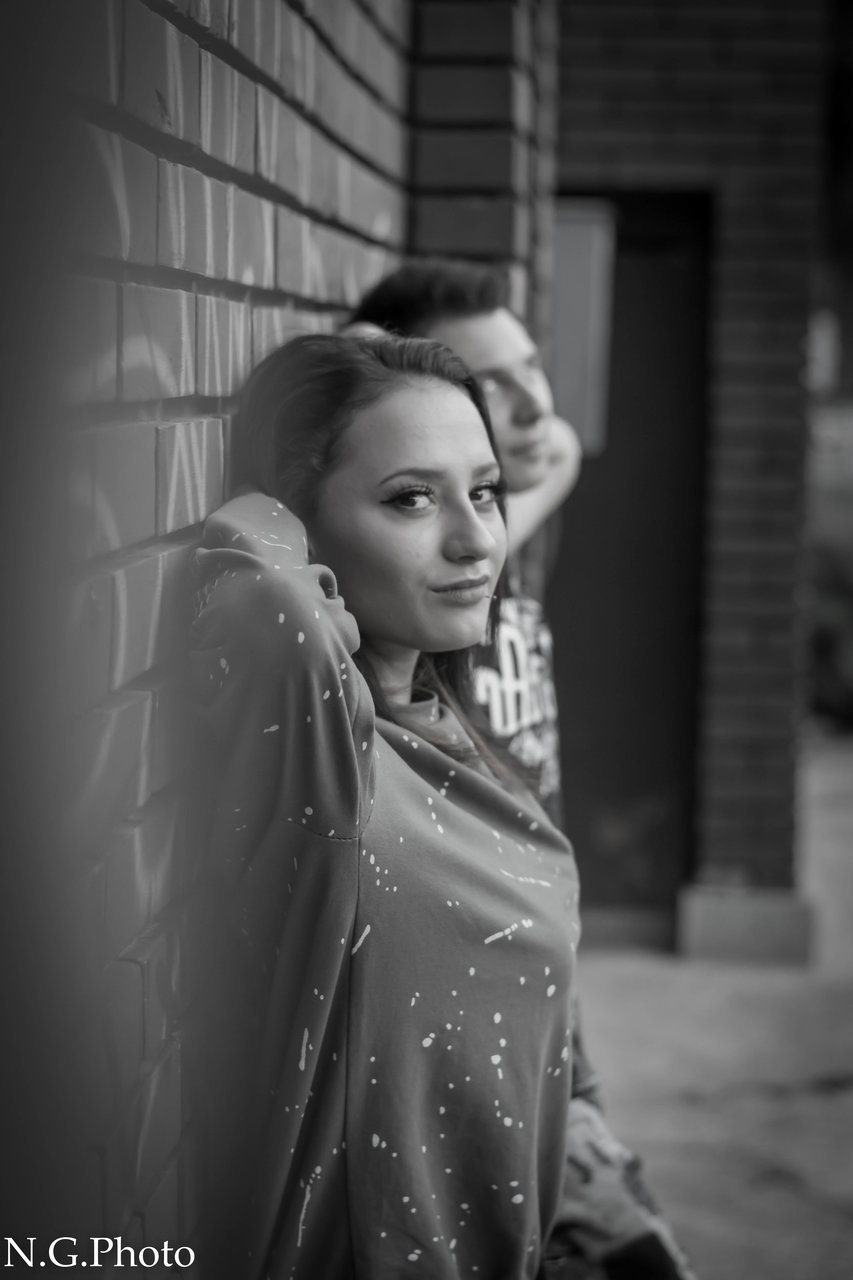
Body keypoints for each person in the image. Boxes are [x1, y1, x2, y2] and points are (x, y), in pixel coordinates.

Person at [191, 331, 590, 1279]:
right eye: (410, 498)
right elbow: (252, 571)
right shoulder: (328, 758)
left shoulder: (440, 719)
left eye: (483, 493)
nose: (475, 540)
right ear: (307, 523)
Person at [347, 263, 697, 1280]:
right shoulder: (426, 590)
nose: (533, 404)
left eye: (532, 366)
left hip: (546, 985)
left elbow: (554, 454)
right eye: (490, 381)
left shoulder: (492, 536)